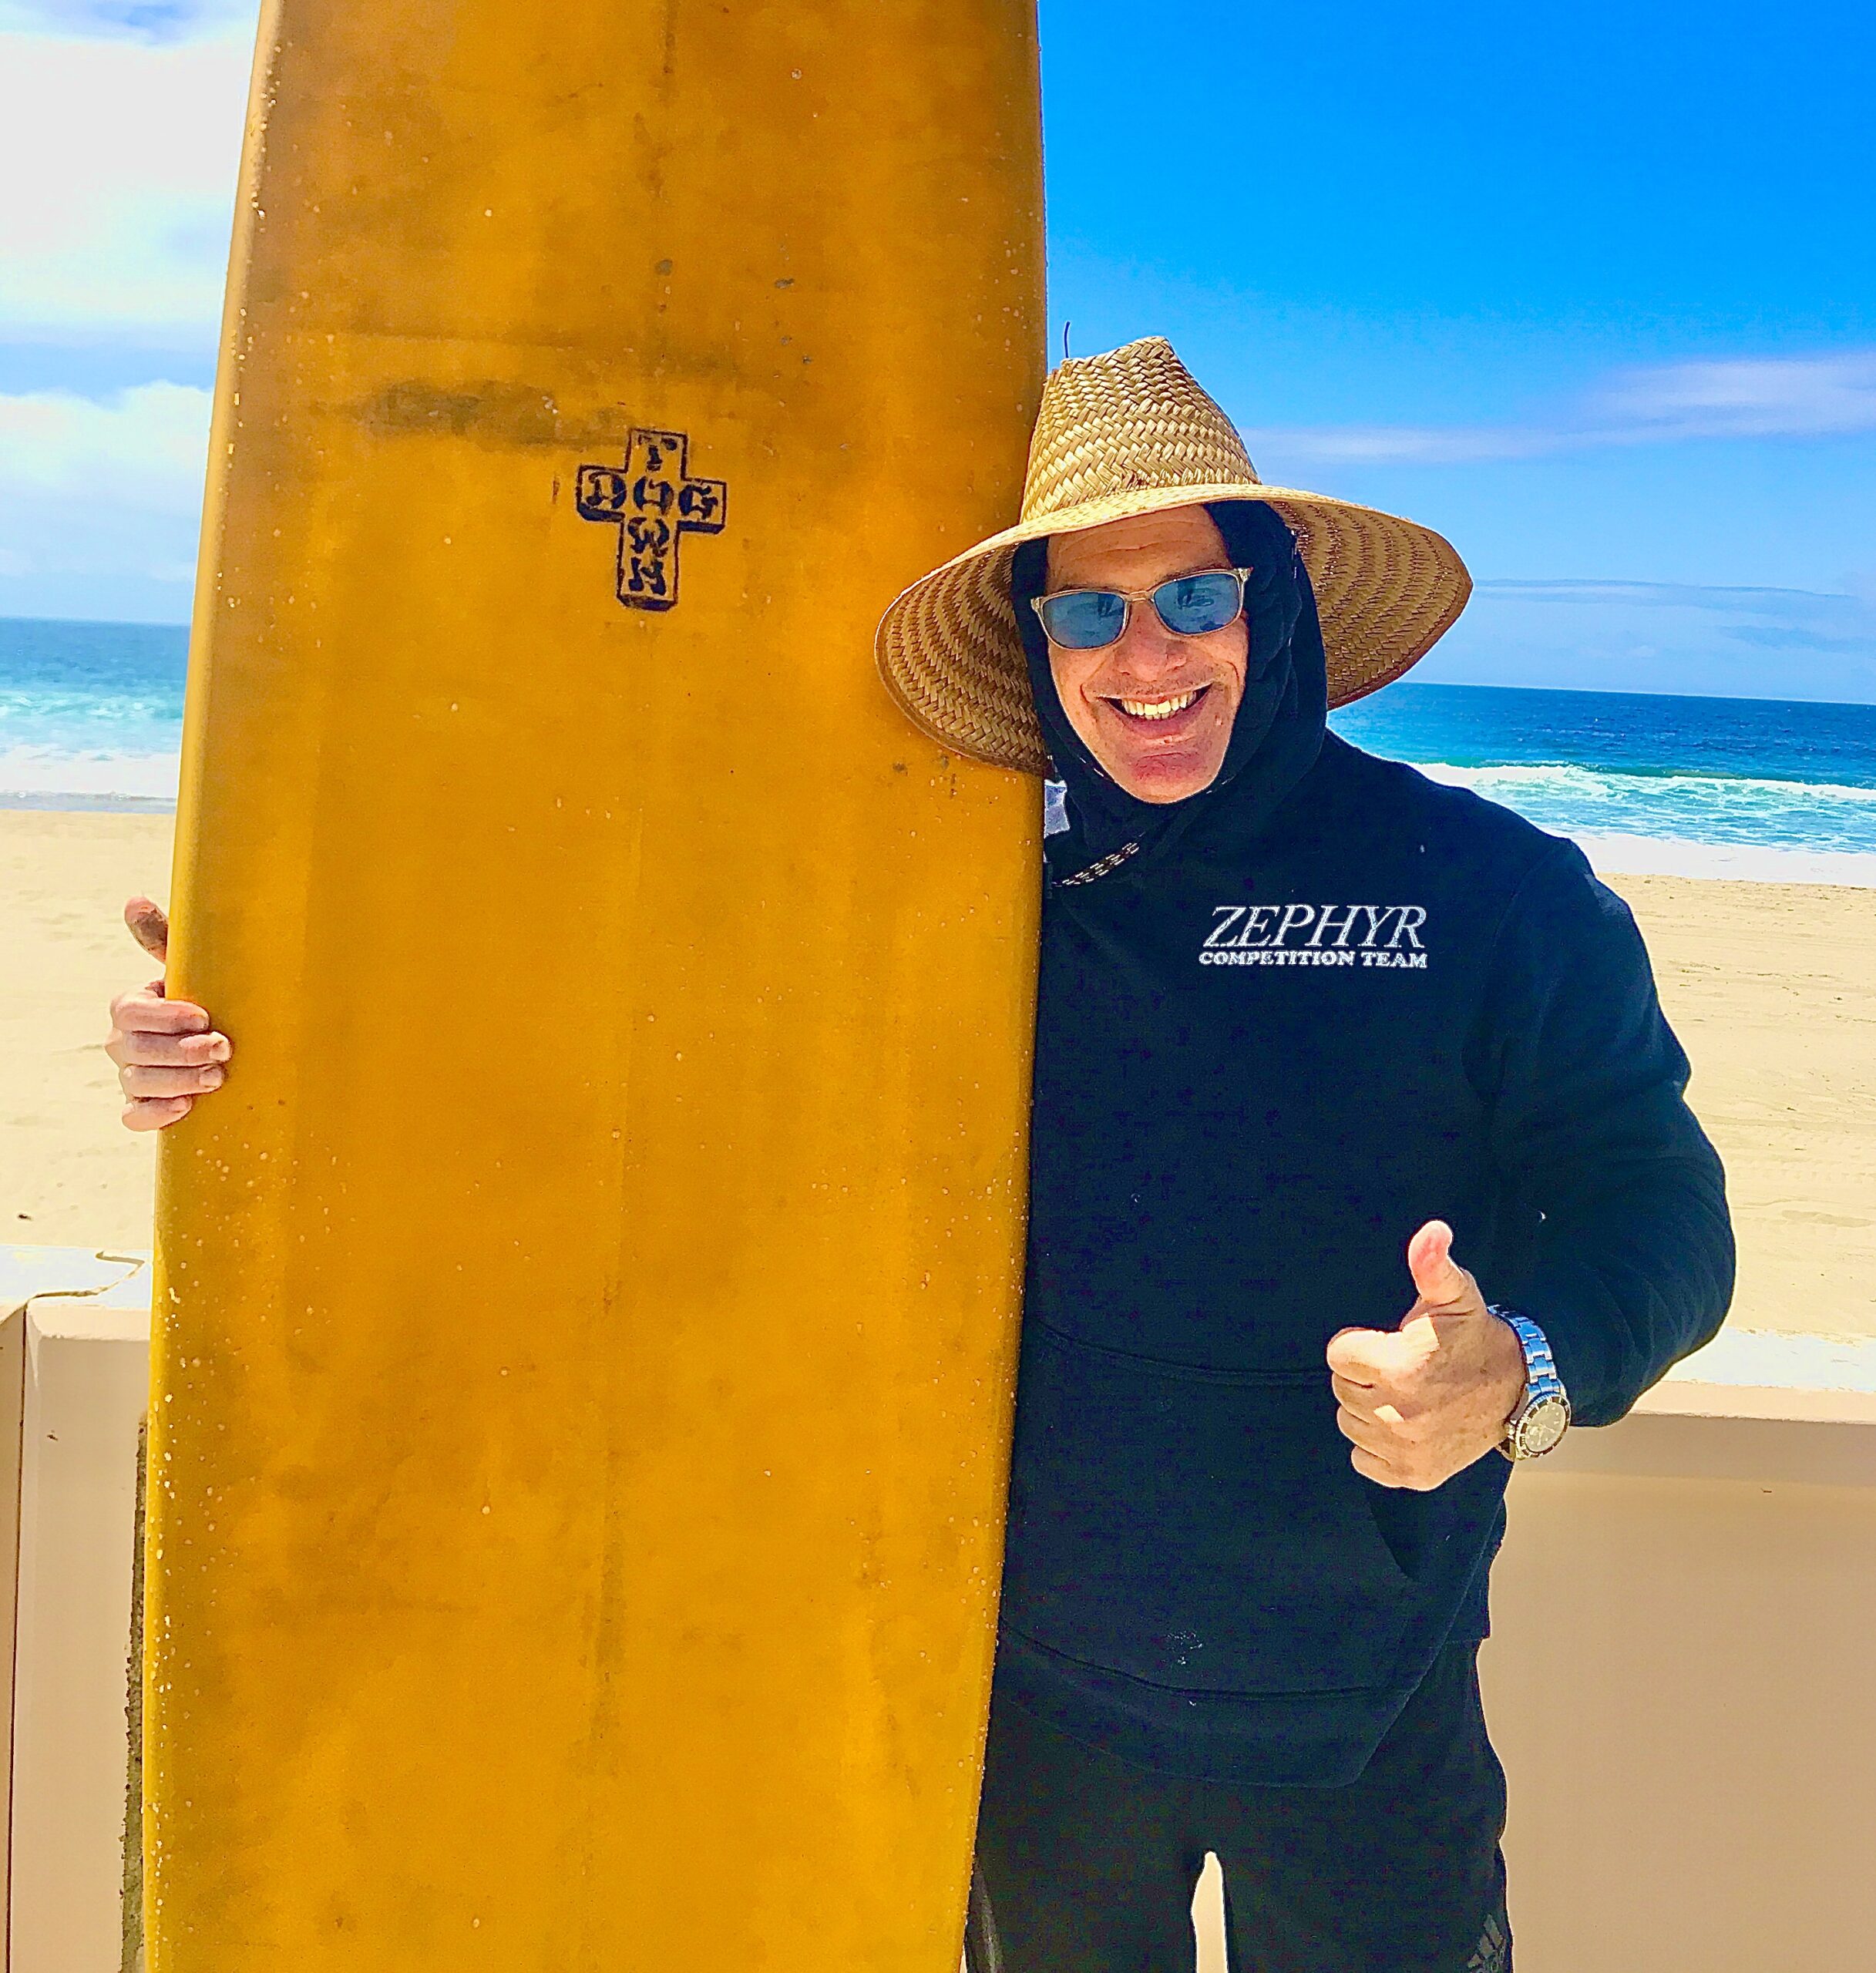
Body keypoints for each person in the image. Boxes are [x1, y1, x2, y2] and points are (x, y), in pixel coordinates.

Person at [111, 338, 1735, 1972]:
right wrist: (281, 1005)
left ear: (1280, 604)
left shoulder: (1488, 890)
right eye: (1086, 611)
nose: (1141, 655)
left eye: (1192, 597)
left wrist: (1513, 1366)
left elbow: (1655, 1205)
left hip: (1362, 1700)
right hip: (1019, 1702)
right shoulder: (950, 898)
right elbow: (620, 1016)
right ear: (1039, 644)